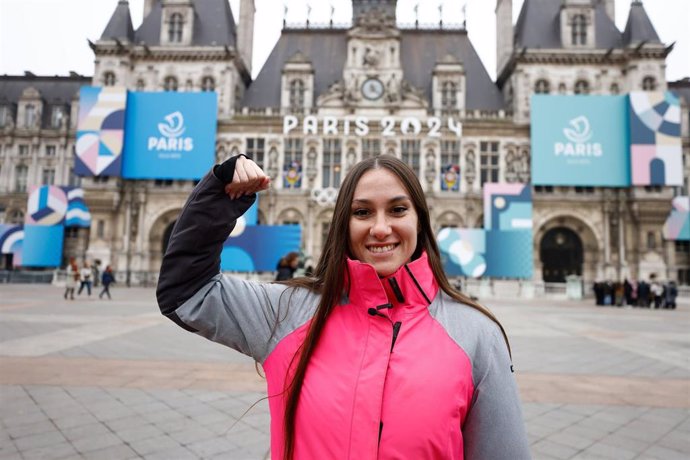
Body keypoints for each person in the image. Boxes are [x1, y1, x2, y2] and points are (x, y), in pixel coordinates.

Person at [157, 155, 531, 460]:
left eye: (398, 210)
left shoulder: (476, 334)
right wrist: (217, 199)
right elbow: (187, 291)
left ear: (420, 220)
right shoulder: (288, 312)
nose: (380, 228)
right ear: (342, 224)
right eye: (362, 212)